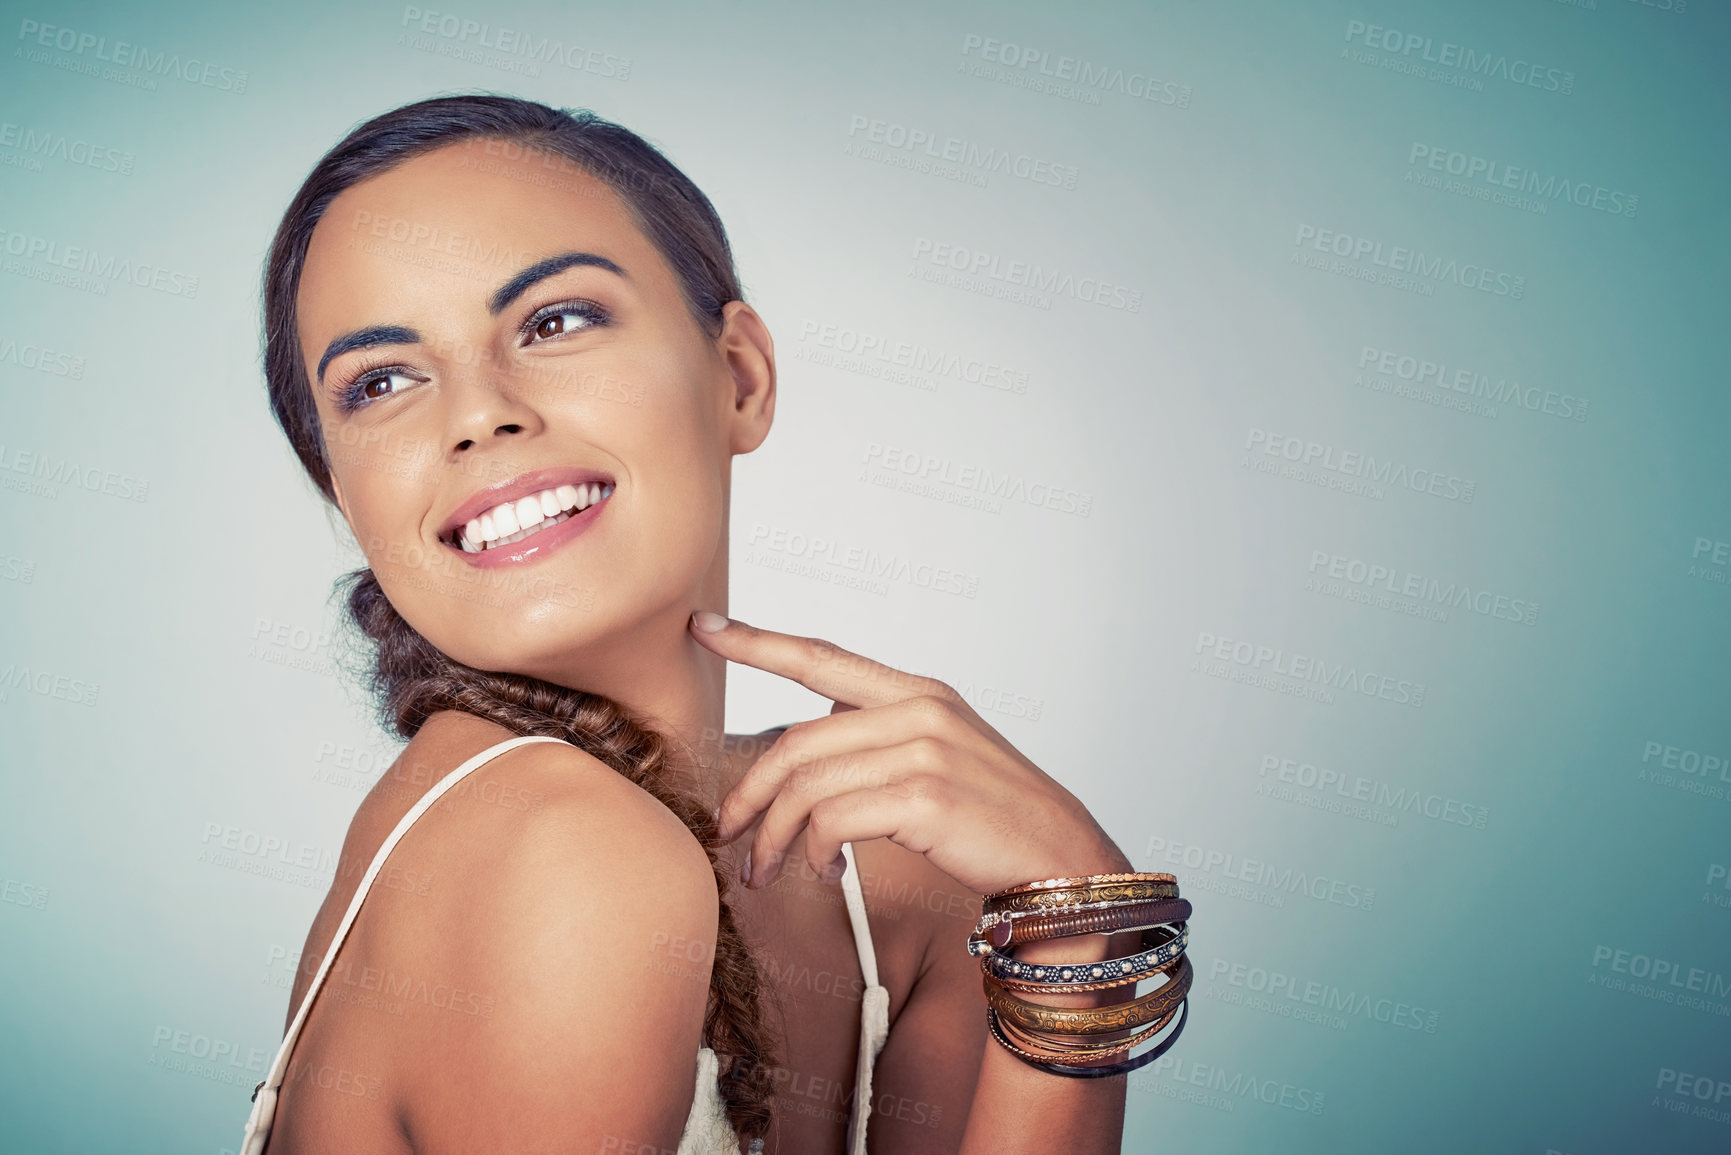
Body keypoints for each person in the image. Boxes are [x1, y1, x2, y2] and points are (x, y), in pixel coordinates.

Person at [241, 94, 1144, 1155]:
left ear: (740, 377)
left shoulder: (886, 882)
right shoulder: (558, 851)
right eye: (382, 381)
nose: (478, 413)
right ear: (340, 491)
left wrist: (1082, 938)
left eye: (555, 321)